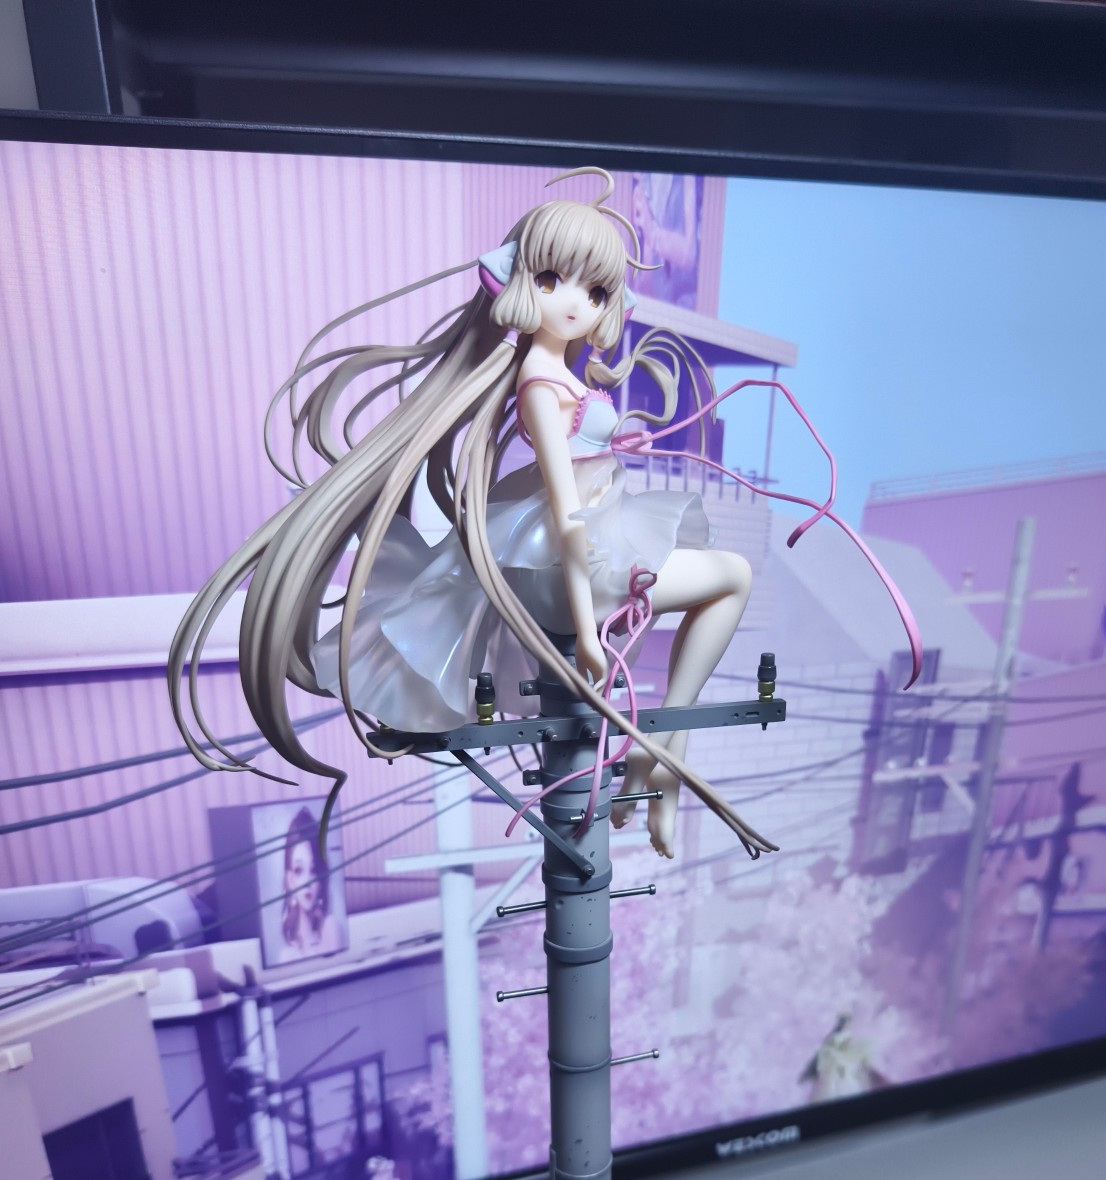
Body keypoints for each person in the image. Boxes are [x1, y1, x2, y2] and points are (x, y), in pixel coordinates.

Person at [169, 169, 918, 862]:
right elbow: (565, 513)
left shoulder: (558, 372)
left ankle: (659, 756)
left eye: (594, 289)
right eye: (552, 279)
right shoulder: (538, 380)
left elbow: (580, 469)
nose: (573, 301)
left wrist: (612, 442)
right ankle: (662, 756)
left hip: (589, 545)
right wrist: (587, 631)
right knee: (732, 577)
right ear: (520, 282)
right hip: (572, 565)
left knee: (724, 577)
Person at [278, 807, 342, 960]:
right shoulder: (286, 955)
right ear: (290, 880)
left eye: (313, 870)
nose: (307, 881)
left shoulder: (330, 928)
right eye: (299, 870)